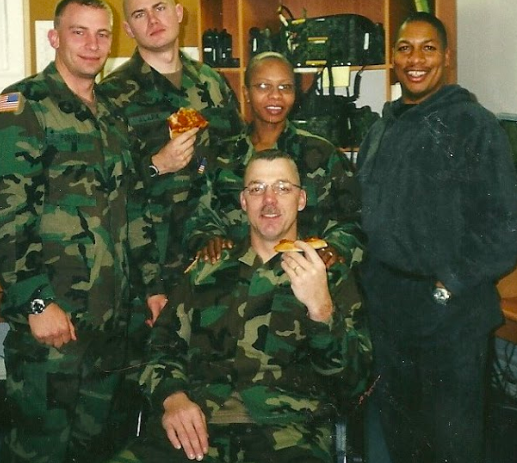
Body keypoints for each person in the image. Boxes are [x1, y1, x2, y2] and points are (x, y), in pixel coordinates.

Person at [108, 149, 371, 463]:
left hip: (289, 434)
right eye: (257, 189)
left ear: (301, 200)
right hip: (196, 427)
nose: (269, 200)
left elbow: (352, 383)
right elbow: (162, 347)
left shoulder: (328, 272)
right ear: (243, 202)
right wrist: (172, 398)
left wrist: (321, 310)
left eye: (282, 188)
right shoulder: (208, 268)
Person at [0, 0, 144, 463]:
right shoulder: (24, 105)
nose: (92, 45)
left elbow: (124, 205)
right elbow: (2, 214)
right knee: (39, 447)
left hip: (109, 320)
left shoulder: (110, 113)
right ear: (55, 38)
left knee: (95, 447)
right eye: (79, 32)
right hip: (55, 316)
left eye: (102, 34)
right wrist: (35, 301)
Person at [356, 12, 517, 463]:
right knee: (403, 440)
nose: (415, 59)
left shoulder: (473, 124)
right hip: (390, 315)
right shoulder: (381, 129)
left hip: (448, 319)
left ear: (447, 58)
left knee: (452, 447)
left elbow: (507, 227)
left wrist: (448, 283)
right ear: (392, 56)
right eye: (405, 48)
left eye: (428, 48)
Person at [98, 0, 242, 320]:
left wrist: (233, 236)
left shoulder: (211, 83)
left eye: (159, 8)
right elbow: (108, 190)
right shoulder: (112, 96)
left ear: (178, 13)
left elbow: (236, 165)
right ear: (129, 30)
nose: (152, 20)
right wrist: (155, 164)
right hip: (148, 266)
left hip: (214, 255)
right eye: (139, 14)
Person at [186, 51, 363, 267]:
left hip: (302, 279)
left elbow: (355, 218)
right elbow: (198, 215)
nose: (275, 96)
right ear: (246, 93)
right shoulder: (221, 155)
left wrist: (337, 245)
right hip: (237, 284)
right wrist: (209, 238)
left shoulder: (320, 153)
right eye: (263, 86)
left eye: (285, 87)